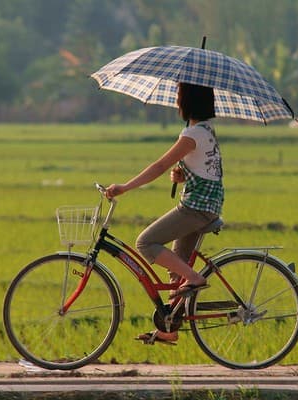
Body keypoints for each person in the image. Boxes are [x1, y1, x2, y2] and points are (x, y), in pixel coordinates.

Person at [105, 82, 224, 344]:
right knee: (176, 272)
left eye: (180, 95)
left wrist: (124, 187)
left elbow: (159, 165)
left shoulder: (192, 134)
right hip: (206, 204)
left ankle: (195, 279)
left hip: (197, 207)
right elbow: (204, 168)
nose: (177, 100)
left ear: (187, 101)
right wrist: (183, 175)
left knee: (146, 242)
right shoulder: (205, 130)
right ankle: (170, 328)